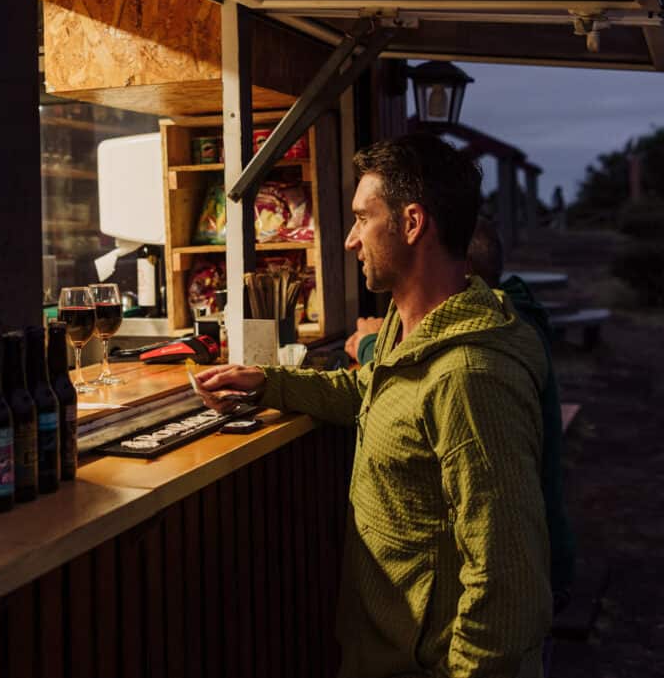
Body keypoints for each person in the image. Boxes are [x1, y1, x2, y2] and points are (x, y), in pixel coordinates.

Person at [198, 133, 552, 678]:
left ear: (412, 223)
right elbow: (372, 395)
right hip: (377, 654)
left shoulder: (469, 378)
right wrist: (266, 382)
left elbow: (509, 579)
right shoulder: (408, 328)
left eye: (364, 218)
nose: (349, 240)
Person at [352, 217, 576, 619]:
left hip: (534, 578)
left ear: (462, 274)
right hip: (544, 557)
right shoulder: (514, 318)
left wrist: (369, 345)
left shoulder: (483, 353)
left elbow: (498, 558)